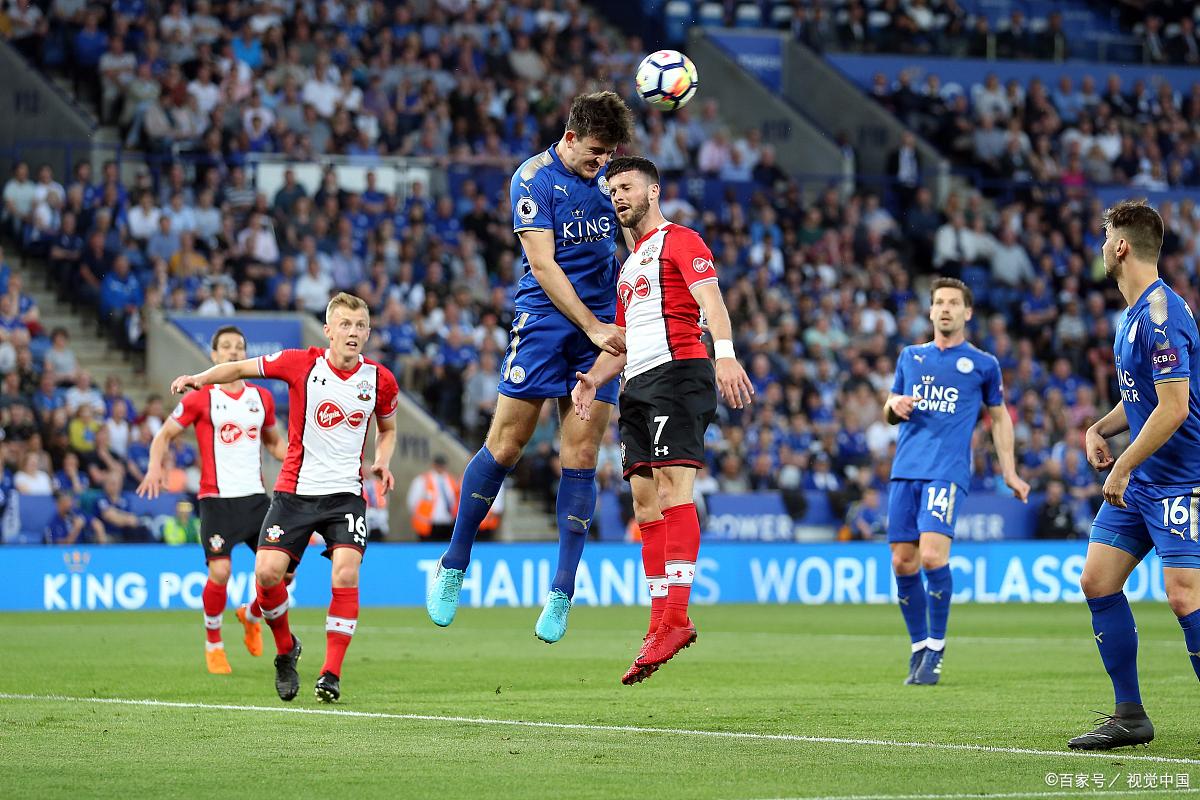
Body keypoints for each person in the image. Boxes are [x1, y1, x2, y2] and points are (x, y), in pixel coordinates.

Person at [425, 91, 634, 644]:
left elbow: (635, 239)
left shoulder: (610, 181)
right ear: (570, 137)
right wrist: (591, 326)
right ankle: (453, 564)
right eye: (595, 152)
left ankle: (562, 592)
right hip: (545, 320)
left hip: (601, 324)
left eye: (609, 154)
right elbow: (542, 265)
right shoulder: (533, 179)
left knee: (582, 454)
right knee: (507, 444)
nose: (601, 163)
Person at [570, 155, 754, 684]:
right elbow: (625, 341)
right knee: (644, 501)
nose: (618, 197)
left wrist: (725, 354)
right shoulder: (629, 266)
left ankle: (676, 618)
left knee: (675, 489)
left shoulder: (681, 240)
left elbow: (711, 301)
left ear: (654, 191)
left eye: (626, 187)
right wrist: (593, 378)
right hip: (637, 384)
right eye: (612, 190)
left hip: (679, 373)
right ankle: (658, 624)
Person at [170, 293, 397, 704]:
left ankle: (331, 674)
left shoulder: (381, 379)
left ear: (368, 332)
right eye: (345, 324)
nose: (353, 332)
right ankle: (285, 650)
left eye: (360, 325)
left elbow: (388, 428)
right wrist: (200, 378)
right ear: (328, 330)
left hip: (345, 495)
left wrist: (382, 460)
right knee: (267, 575)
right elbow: (240, 368)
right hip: (294, 492)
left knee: (346, 573)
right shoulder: (300, 363)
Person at [1069, 201, 1200, 750]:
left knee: (1184, 596)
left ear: (1121, 246)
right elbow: (1142, 398)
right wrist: (1100, 427)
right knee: (1097, 581)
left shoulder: (1162, 316)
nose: (1101, 247)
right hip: (1145, 479)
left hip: (1180, 480)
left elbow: (1174, 408)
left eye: (1105, 238)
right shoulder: (1134, 315)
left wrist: (1122, 464)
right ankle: (1130, 716)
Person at [884, 277, 1030, 686]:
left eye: (953, 303)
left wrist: (1009, 471)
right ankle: (918, 646)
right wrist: (894, 405)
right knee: (902, 561)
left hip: (947, 471)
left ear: (967, 312)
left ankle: (937, 645)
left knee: (932, 556)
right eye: (939, 303)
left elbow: (999, 418)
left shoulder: (983, 364)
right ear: (931, 311)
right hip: (905, 469)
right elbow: (889, 409)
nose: (945, 308)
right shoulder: (911, 357)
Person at [139, 325, 286, 675]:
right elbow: (164, 435)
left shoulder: (262, 398)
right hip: (217, 501)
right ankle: (214, 644)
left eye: (240, 347)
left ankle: (252, 615)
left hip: (256, 499)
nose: (234, 352)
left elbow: (274, 443)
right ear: (214, 354)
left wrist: (302, 458)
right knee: (220, 571)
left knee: (284, 571)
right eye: (227, 347)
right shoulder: (200, 398)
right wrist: (154, 467)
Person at [407, 454, 459, 541]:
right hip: (429, 525)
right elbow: (412, 502)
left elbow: (455, 500)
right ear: (433, 465)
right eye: (438, 464)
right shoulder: (422, 480)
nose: (440, 467)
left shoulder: (451, 480)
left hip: (448, 523)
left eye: (442, 465)